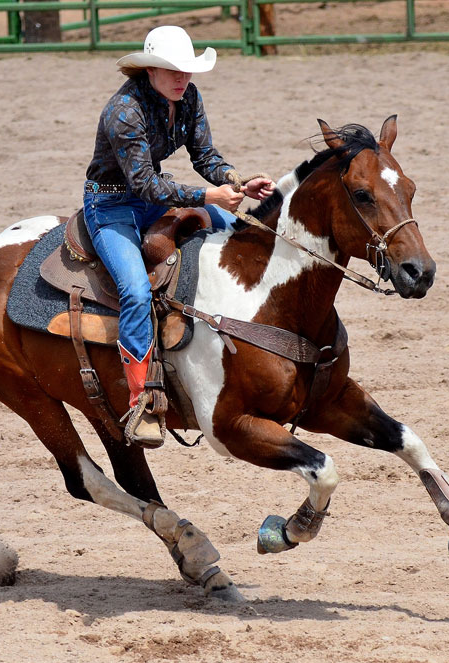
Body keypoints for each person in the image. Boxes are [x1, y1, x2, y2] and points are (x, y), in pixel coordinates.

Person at [84, 25, 275, 448]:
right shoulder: (124, 112)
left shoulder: (187, 97)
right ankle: (142, 401)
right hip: (112, 206)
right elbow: (145, 185)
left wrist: (236, 181)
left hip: (153, 197)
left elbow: (205, 155)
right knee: (134, 289)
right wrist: (208, 195)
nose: (182, 78)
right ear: (150, 69)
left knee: (237, 235)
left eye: (187, 71)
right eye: (173, 71)